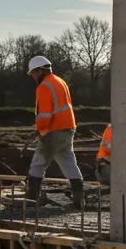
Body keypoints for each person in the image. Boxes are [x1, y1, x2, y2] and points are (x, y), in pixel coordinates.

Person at [26, 56, 84, 209]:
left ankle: (31, 202)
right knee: (68, 162)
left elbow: (45, 114)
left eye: (33, 73)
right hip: (68, 129)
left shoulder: (44, 86)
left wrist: (41, 131)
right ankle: (79, 202)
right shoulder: (60, 81)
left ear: (40, 70)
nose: (32, 76)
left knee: (38, 164)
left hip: (53, 130)